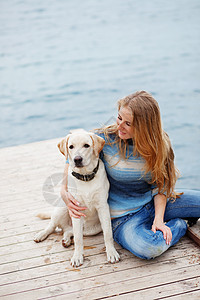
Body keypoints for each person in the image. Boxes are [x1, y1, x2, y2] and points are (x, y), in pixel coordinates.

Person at [61, 91, 200, 260]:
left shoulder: (161, 144)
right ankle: (181, 224)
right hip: (123, 218)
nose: (119, 126)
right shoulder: (105, 139)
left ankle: (162, 222)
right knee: (149, 248)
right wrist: (64, 190)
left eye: (128, 123)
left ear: (145, 127)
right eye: (119, 118)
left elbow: (161, 185)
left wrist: (158, 219)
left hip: (154, 203)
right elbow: (75, 156)